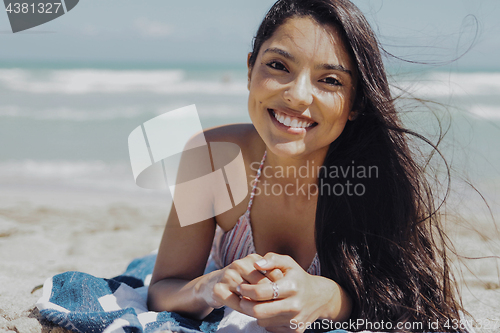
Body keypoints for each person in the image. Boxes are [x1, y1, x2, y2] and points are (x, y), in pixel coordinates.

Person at [147, 0, 467, 332]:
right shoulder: (211, 156)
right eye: (278, 65)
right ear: (249, 70)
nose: (298, 96)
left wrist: (327, 296)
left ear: (355, 102)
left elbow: (410, 305)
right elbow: (162, 291)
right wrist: (208, 287)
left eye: (329, 80)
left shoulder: (374, 179)